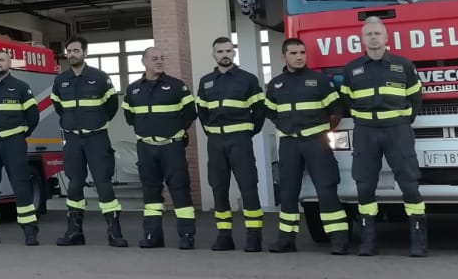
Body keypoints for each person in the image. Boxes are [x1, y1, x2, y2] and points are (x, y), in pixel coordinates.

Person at [340, 16, 427, 257]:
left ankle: (418, 238)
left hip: (397, 131)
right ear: (362, 38)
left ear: (386, 38)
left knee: (409, 184)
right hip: (365, 132)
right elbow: (346, 98)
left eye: (377, 33)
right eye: (369, 34)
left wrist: (402, 119)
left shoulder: (404, 65)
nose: (373, 37)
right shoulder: (352, 69)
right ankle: (368, 241)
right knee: (364, 185)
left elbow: (416, 97)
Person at [264, 38, 349, 254]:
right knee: (288, 192)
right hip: (289, 144)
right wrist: (287, 127)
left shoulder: (320, 81)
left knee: (326, 189)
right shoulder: (275, 84)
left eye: (302, 52)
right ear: (283, 56)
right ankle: (286, 240)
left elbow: (336, 110)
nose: (299, 56)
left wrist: (321, 131)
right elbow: (271, 112)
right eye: (293, 53)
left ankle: (338, 239)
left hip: (316, 142)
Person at [50, 35, 127, 247]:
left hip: (96, 138)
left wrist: (96, 122)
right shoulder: (60, 80)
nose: (72, 54)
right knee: (74, 184)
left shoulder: (100, 77)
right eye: (69, 51)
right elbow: (58, 107)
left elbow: (111, 107)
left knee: (103, 184)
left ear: (85, 53)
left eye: (76, 50)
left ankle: (114, 233)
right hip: (73, 140)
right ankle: (74, 232)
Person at [196, 37, 268, 252]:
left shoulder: (248, 79)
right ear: (214, 54)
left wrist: (247, 131)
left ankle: (254, 236)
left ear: (233, 53)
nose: (224, 54)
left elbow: (260, 111)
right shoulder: (206, 81)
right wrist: (212, 131)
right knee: (219, 188)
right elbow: (202, 111)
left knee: (248, 186)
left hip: (240, 141)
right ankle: (224, 236)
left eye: (228, 50)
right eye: (220, 51)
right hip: (216, 142)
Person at [121, 47, 198, 249]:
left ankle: (186, 236)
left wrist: (175, 132)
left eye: (162, 58)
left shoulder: (176, 86)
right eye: (155, 58)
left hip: (171, 147)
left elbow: (190, 114)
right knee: (151, 193)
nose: (159, 61)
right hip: (146, 148)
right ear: (144, 61)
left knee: (180, 190)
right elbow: (129, 117)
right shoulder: (133, 89)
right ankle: (152, 236)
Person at [0, 52, 41, 245]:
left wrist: (21, 134)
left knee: (21, 186)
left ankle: (30, 231)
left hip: (14, 143)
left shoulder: (21, 87)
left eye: (1, 60)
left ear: (9, 63)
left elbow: (33, 115)